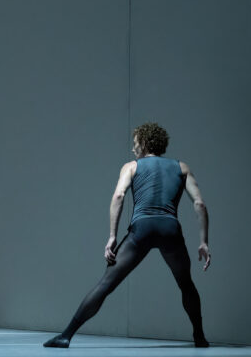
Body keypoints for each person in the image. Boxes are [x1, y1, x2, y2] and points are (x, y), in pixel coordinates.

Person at [44, 122, 210, 348]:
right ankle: (199, 337)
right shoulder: (181, 167)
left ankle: (66, 335)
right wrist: (203, 241)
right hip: (170, 229)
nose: (133, 149)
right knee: (186, 284)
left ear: (144, 143)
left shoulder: (131, 167)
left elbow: (119, 196)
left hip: (141, 228)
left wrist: (112, 235)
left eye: (135, 144)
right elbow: (199, 204)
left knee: (106, 284)